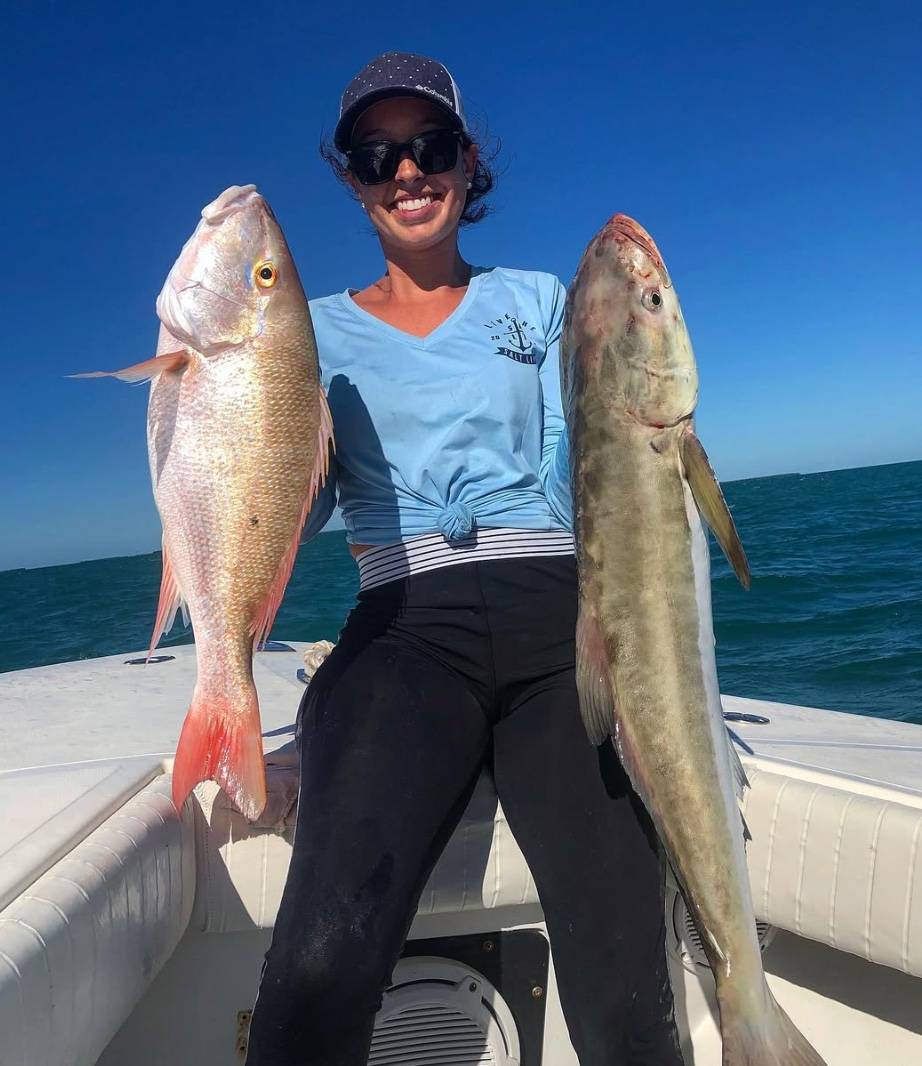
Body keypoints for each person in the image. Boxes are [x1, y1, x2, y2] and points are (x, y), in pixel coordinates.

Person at [245, 51, 684, 1066]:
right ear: (352, 179)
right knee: (318, 968)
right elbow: (295, 513)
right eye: (377, 155)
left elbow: (598, 472)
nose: (407, 172)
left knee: (626, 989)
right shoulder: (303, 333)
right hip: (405, 631)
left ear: (466, 160)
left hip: (562, 625)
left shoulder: (541, 300)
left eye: (430, 146)